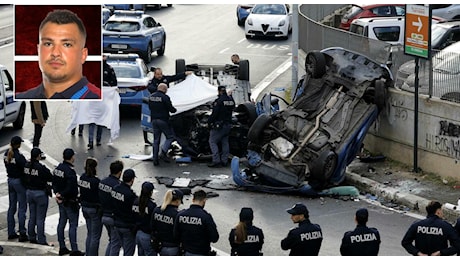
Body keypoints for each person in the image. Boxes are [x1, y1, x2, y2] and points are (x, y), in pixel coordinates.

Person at [15, 9, 100, 99]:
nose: (55, 53)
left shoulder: (98, 98)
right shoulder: (21, 98)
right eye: (48, 44)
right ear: (38, 50)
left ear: (83, 55)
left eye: (67, 44)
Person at [52, 148, 84, 256]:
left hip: (61, 200)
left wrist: (57, 194)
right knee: (72, 225)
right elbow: (72, 188)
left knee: (61, 223)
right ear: (71, 157)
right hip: (70, 201)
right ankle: (74, 249)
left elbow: (54, 183)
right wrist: (63, 195)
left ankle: (62, 247)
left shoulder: (58, 169)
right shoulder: (70, 172)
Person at [22, 147, 53, 246]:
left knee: (32, 216)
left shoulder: (26, 165)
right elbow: (50, 176)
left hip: (29, 192)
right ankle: (41, 239)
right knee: (40, 219)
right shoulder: (40, 167)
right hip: (40, 194)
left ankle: (31, 236)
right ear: (38, 156)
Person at [174, 189, 219, 256]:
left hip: (186, 252)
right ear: (204, 200)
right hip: (202, 252)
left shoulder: (181, 215)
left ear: (193, 200)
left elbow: (176, 235)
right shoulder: (206, 217)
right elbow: (214, 238)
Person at [3, 136, 28, 242]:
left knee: (12, 207)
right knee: (22, 207)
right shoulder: (18, 156)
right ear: (18, 144)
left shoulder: (6, 153)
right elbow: (25, 168)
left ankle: (11, 231)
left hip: (10, 181)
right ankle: (22, 232)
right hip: (19, 182)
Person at [146, 83, 177, 166]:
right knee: (170, 137)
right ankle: (163, 152)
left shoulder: (151, 97)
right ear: (164, 89)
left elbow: (150, 107)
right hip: (163, 120)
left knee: (156, 140)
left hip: (154, 120)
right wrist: (176, 109)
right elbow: (171, 109)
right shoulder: (165, 97)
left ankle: (155, 159)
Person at [98, 160, 123, 256]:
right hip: (113, 217)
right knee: (115, 244)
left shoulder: (102, 182)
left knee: (112, 241)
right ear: (120, 172)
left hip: (103, 215)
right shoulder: (118, 186)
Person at [78, 157, 102, 256]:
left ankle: (88, 254)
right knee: (95, 236)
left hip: (84, 207)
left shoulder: (82, 177)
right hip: (94, 209)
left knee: (90, 233)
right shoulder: (96, 181)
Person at [111, 169, 138, 256]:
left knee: (115, 246)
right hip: (127, 226)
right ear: (132, 180)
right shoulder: (130, 195)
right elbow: (134, 211)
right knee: (128, 252)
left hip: (116, 222)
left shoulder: (115, 189)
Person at [207, 85, 235, 168]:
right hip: (228, 124)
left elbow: (214, 114)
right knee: (225, 142)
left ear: (219, 91)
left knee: (212, 141)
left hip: (219, 125)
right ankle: (224, 160)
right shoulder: (230, 100)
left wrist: (209, 122)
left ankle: (216, 161)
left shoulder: (218, 101)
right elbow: (233, 106)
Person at [151, 189, 184, 256]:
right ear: (177, 201)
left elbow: (152, 227)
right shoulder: (177, 215)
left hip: (160, 246)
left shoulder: (157, 210)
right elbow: (180, 233)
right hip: (173, 247)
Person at [133, 181, 157, 256]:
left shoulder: (136, 202)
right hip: (147, 235)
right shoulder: (151, 205)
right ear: (151, 192)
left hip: (137, 234)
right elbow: (154, 222)